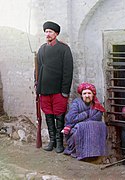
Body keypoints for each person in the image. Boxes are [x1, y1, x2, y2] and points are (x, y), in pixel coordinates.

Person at [36, 21, 73, 153]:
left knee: (59, 116)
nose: (48, 34)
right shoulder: (42, 49)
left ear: (56, 34)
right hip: (44, 91)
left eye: (50, 32)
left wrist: (65, 91)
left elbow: (68, 71)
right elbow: (39, 70)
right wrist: (38, 89)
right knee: (48, 116)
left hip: (58, 91)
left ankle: (59, 142)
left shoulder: (64, 49)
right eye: (46, 32)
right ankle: (51, 141)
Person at [63, 82, 107, 160]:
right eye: (84, 93)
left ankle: (93, 153)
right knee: (82, 128)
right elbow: (71, 118)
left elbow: (97, 119)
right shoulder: (76, 104)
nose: (87, 96)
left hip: (90, 130)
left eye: (89, 93)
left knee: (99, 126)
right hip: (74, 129)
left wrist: (83, 123)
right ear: (81, 95)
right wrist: (86, 114)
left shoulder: (97, 106)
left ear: (93, 95)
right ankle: (81, 153)